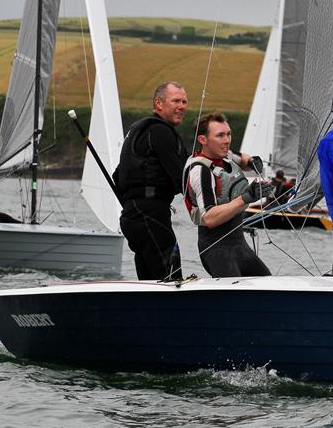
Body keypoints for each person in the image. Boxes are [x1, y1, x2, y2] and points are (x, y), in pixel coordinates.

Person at [113, 81, 190, 280]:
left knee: (150, 283)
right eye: (176, 101)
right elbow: (182, 177)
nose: (182, 106)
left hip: (132, 216)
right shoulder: (160, 131)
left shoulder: (138, 130)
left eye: (184, 101)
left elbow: (117, 176)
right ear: (158, 103)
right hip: (151, 215)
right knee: (171, 279)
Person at [183, 112, 273, 277]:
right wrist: (245, 198)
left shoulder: (225, 155)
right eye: (220, 136)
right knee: (237, 297)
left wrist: (252, 162)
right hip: (215, 249)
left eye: (228, 134)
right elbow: (209, 218)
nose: (226, 140)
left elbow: (242, 159)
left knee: (269, 286)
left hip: (239, 245)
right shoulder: (200, 171)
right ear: (203, 140)